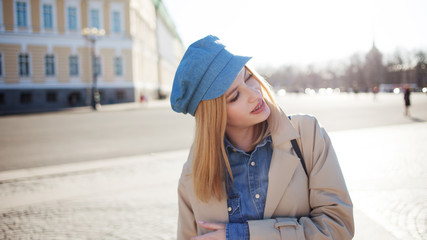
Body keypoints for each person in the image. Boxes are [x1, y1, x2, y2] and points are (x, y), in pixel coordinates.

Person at [170, 35, 354, 240]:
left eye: (248, 77)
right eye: (235, 96)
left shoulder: (307, 135)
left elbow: (339, 227)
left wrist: (245, 235)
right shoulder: (192, 176)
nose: (255, 94)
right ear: (214, 118)